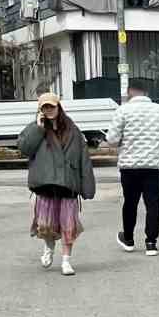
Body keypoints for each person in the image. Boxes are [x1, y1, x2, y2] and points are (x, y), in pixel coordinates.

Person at [18, 92, 96, 277]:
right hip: (46, 185)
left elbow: (83, 158)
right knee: (46, 226)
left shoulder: (72, 129)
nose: (49, 110)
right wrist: (38, 128)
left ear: (58, 107)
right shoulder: (35, 129)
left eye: (52, 106)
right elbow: (24, 149)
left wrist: (88, 186)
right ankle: (49, 247)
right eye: (45, 107)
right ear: (40, 110)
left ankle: (66, 261)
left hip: (68, 185)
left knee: (69, 225)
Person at [104, 76, 159, 256]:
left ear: (129, 91)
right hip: (154, 165)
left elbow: (112, 139)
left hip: (129, 166)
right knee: (152, 203)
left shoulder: (123, 111)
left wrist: (123, 142)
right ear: (147, 92)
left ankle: (128, 239)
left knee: (130, 202)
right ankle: (151, 243)